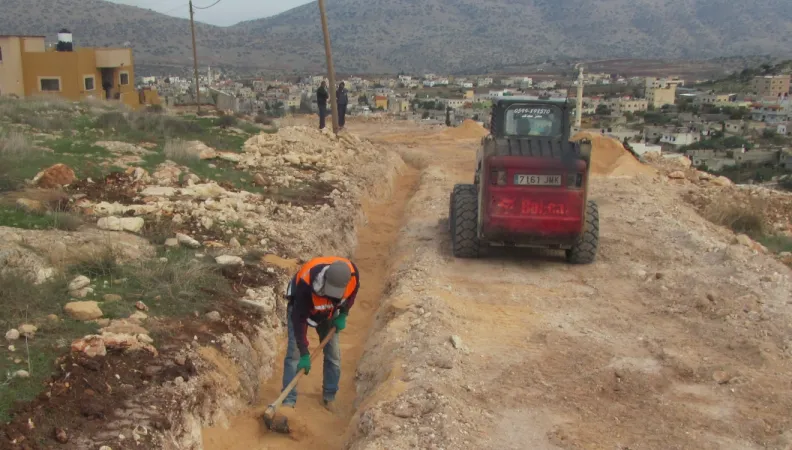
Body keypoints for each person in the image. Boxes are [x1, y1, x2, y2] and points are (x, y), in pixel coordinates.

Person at [281, 256, 360, 410]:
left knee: (333, 354)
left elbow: (352, 293)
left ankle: (329, 395)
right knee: (294, 355)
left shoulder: (353, 275)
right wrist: (304, 352)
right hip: (302, 310)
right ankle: (288, 401)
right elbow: (299, 321)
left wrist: (343, 313)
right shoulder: (307, 284)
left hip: (329, 313)